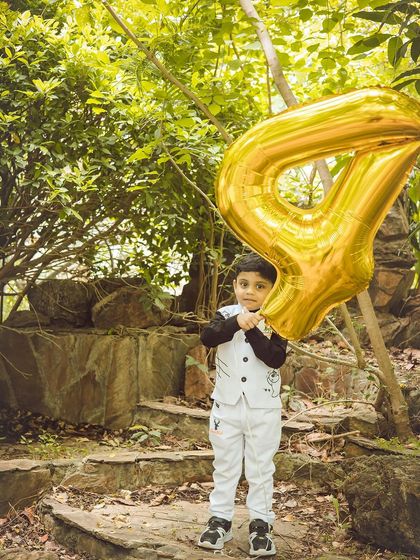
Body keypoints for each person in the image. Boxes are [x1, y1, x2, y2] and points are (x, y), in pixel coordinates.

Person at [197, 252, 288, 557]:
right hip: (226, 406)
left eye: (259, 286)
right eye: (244, 284)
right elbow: (208, 338)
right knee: (225, 465)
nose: (250, 291)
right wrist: (237, 322)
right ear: (235, 284)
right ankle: (219, 520)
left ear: (272, 290)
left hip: (264, 409)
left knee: (261, 467)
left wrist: (252, 330)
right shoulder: (224, 314)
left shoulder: (278, 319)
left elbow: (275, 358)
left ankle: (261, 525)